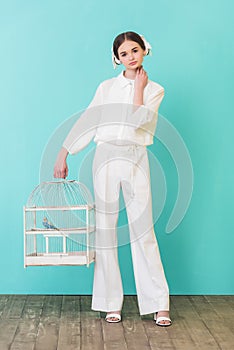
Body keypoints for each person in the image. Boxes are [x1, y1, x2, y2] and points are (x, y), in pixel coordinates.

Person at [54, 31, 172, 326]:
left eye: (135, 50)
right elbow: (90, 119)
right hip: (105, 157)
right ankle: (110, 302)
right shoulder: (106, 87)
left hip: (136, 157)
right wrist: (64, 151)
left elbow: (137, 122)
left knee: (143, 231)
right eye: (124, 54)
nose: (130, 57)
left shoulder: (155, 89)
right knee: (105, 231)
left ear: (144, 50)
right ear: (116, 59)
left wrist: (139, 89)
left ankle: (159, 304)